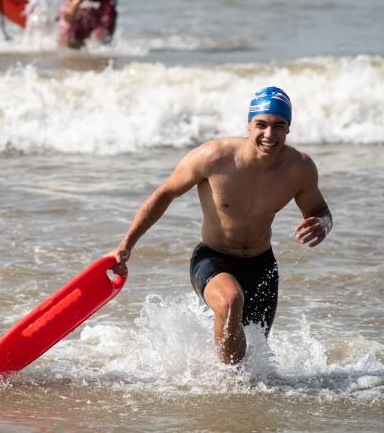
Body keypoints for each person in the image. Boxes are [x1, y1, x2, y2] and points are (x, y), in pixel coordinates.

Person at [108, 87, 332, 364]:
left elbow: (319, 210)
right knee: (230, 301)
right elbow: (165, 194)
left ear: (288, 128)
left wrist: (323, 223)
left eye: (278, 126)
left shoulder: (299, 168)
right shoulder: (213, 157)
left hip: (262, 267)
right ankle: (227, 390)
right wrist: (126, 244)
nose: (269, 135)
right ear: (248, 124)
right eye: (261, 124)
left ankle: (235, 399)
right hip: (213, 259)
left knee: (255, 359)